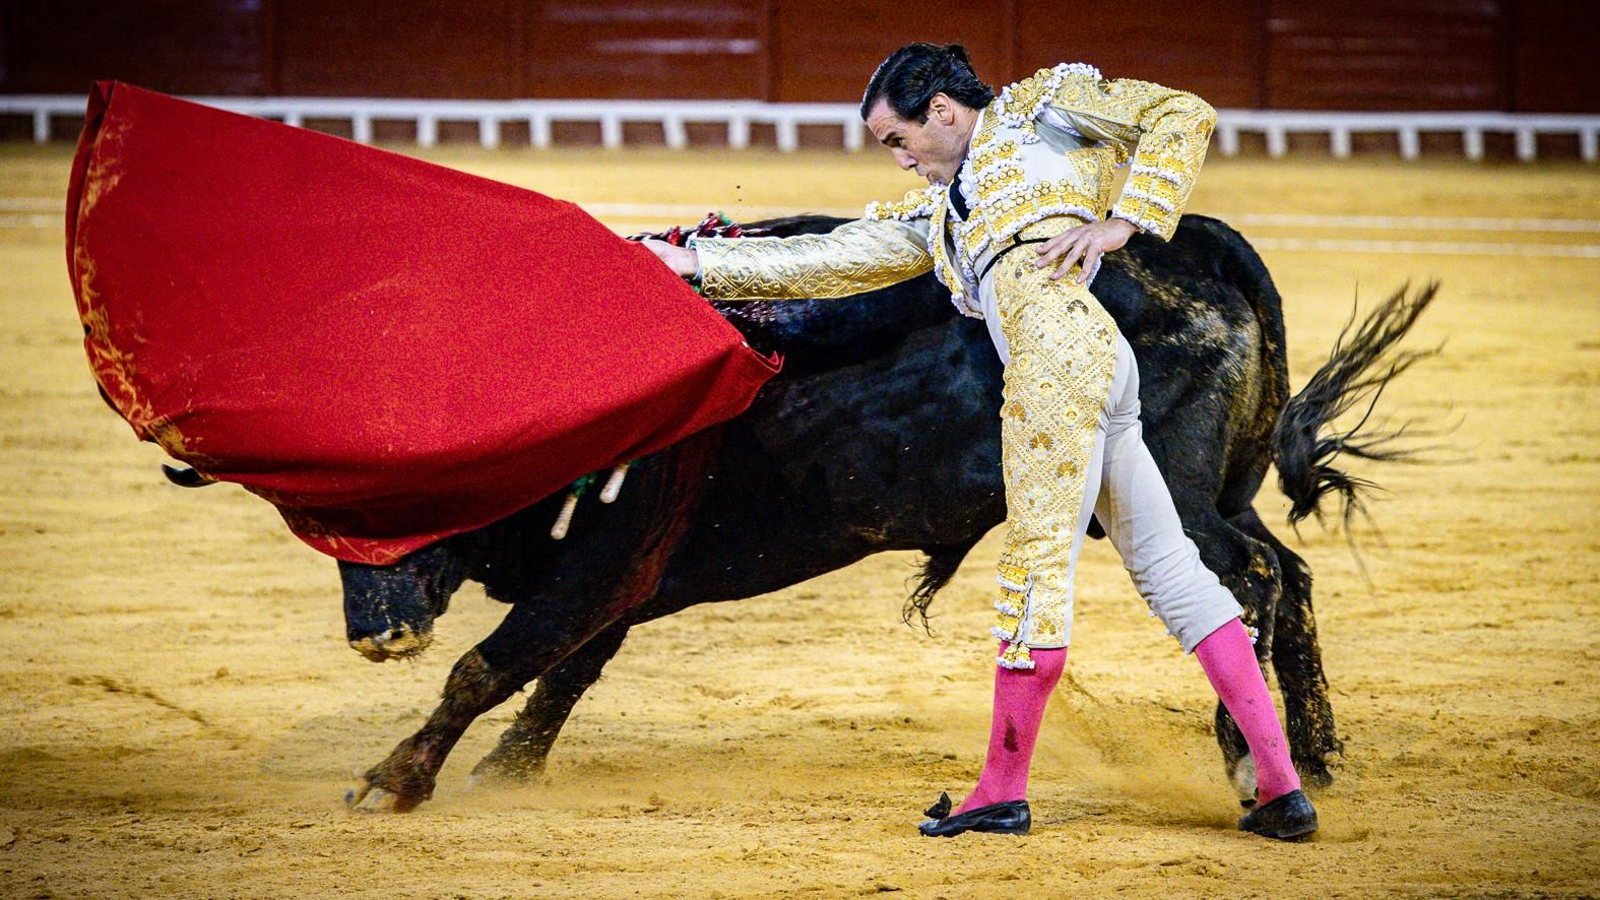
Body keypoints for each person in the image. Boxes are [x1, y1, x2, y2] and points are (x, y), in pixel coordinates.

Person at [643, 43, 1317, 841]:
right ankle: (1279, 788)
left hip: (1058, 362)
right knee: (1170, 566)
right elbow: (826, 259)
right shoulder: (944, 209)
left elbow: (1182, 113)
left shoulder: (1047, 114)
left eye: (899, 139)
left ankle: (1001, 788)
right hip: (1098, 361)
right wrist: (692, 260)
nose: (899, 161)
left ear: (941, 110)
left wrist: (1122, 226)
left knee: (1037, 569)